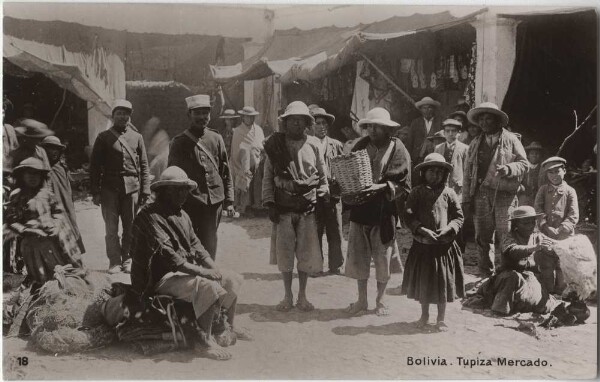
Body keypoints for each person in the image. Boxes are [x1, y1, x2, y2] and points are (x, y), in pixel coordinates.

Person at [130, 166, 250, 361]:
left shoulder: (182, 215)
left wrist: (214, 269)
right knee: (207, 285)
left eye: (185, 189)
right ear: (163, 191)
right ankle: (204, 341)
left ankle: (228, 325)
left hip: (179, 272)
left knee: (231, 278)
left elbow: (198, 247)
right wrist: (204, 273)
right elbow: (171, 258)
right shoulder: (149, 216)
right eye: (177, 189)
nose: (183, 193)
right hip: (157, 278)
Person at [262, 101, 329, 312]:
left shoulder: (314, 144)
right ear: (286, 123)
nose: (297, 124)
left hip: (307, 208)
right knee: (285, 255)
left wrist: (322, 193)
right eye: (292, 120)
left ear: (307, 123)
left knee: (305, 254)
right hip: (283, 208)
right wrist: (270, 203)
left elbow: (323, 175)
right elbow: (267, 177)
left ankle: (302, 296)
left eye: (301, 120)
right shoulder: (275, 146)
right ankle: (287, 296)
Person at [344, 107, 411, 316]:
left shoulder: (397, 149)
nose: (373, 130)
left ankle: (381, 300)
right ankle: (362, 299)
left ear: (387, 129)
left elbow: (403, 183)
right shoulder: (361, 146)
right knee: (359, 256)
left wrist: (381, 187)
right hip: (361, 209)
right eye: (370, 126)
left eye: (377, 126)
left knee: (382, 256)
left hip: (383, 210)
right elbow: (351, 172)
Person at [463, 102, 529, 278]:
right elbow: (467, 173)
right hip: (481, 195)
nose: (484, 123)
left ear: (497, 121)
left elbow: (524, 164)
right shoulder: (475, 143)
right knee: (482, 237)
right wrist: (466, 199)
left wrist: (508, 169)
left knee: (505, 235)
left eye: (488, 119)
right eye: (481, 119)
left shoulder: (511, 139)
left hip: (504, 196)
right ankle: (485, 275)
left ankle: (507, 275)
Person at [401, 153, 464, 331]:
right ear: (423, 173)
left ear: (444, 174)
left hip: (444, 247)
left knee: (442, 282)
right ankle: (424, 315)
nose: (435, 175)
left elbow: (459, 217)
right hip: (423, 247)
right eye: (431, 171)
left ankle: (441, 318)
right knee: (425, 281)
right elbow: (408, 216)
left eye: (439, 172)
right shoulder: (416, 193)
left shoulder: (449, 193)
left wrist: (449, 229)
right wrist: (421, 229)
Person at [168, 95, 234, 260]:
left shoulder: (216, 138)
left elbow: (225, 171)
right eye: (197, 113)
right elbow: (172, 177)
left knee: (210, 240)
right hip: (191, 201)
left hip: (214, 201)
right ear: (189, 115)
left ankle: (209, 275)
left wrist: (230, 201)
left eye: (206, 113)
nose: (202, 117)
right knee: (189, 240)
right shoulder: (179, 142)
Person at [90, 99, 151, 274]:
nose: (122, 116)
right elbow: (95, 167)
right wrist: (95, 191)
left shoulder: (137, 138)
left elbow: (144, 166)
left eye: (126, 114)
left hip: (132, 188)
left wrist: (145, 189)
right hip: (109, 188)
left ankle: (128, 259)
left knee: (131, 227)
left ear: (129, 116)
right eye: (119, 113)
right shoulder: (103, 137)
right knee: (111, 228)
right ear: (113, 116)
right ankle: (114, 261)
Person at [463, 206, 559, 315]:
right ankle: (500, 309)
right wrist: (534, 248)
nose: (530, 226)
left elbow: (554, 246)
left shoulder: (538, 237)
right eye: (525, 223)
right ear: (516, 224)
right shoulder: (508, 236)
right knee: (513, 277)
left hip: (529, 278)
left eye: (532, 222)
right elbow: (512, 250)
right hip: (507, 278)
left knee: (542, 305)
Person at [3, 158, 82, 288]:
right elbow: (12, 221)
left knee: (60, 268)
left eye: (36, 174)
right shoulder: (18, 196)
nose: (33, 177)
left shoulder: (48, 194)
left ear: (42, 176)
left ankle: (65, 289)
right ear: (22, 176)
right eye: (29, 173)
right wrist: (28, 230)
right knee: (41, 274)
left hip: (52, 240)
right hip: (32, 243)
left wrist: (56, 226)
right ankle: (44, 292)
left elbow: (58, 213)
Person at [311, 107, 345, 275]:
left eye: (324, 123)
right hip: (314, 193)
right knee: (315, 230)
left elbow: (343, 167)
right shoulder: (307, 144)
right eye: (317, 123)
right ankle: (316, 265)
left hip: (333, 193)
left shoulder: (336, 145)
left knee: (335, 229)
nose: (321, 126)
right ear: (311, 125)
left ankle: (336, 264)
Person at [41, 136, 85, 254]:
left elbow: (68, 186)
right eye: (50, 148)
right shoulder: (41, 168)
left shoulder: (61, 167)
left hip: (66, 205)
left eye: (57, 149)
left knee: (70, 226)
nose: (54, 151)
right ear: (44, 150)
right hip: (52, 206)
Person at [434, 119, 469, 251]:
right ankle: (445, 246)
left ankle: (459, 248)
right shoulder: (438, 148)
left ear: (458, 133)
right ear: (443, 132)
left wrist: (463, 184)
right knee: (443, 216)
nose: (450, 133)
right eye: (447, 131)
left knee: (457, 217)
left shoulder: (465, 149)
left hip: (458, 189)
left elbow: (468, 170)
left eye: (453, 131)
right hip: (442, 188)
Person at [534, 157, 579, 240]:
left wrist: (561, 229)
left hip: (565, 234)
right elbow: (538, 210)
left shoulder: (570, 191)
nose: (554, 175)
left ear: (564, 171)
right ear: (547, 174)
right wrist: (546, 227)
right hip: (545, 233)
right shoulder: (543, 190)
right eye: (550, 172)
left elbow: (573, 214)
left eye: (557, 171)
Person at [231, 106, 264, 216]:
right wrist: (242, 161)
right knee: (245, 183)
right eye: (248, 117)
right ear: (243, 117)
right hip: (243, 163)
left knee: (257, 183)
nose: (250, 119)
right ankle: (246, 207)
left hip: (257, 161)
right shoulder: (238, 131)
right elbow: (235, 149)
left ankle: (257, 205)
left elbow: (261, 144)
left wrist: (257, 151)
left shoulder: (258, 129)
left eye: (252, 117)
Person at [405, 97, 442, 165]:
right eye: (424, 108)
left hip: (435, 156)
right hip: (418, 157)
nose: (427, 110)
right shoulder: (415, 122)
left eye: (429, 107)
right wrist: (409, 159)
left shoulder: (440, 122)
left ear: (434, 109)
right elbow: (410, 142)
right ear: (421, 110)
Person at [518, 141, 545, 207]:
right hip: (523, 197)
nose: (534, 155)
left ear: (540, 156)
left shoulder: (543, 169)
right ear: (528, 156)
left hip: (538, 198)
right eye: (532, 153)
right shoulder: (523, 167)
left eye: (537, 153)